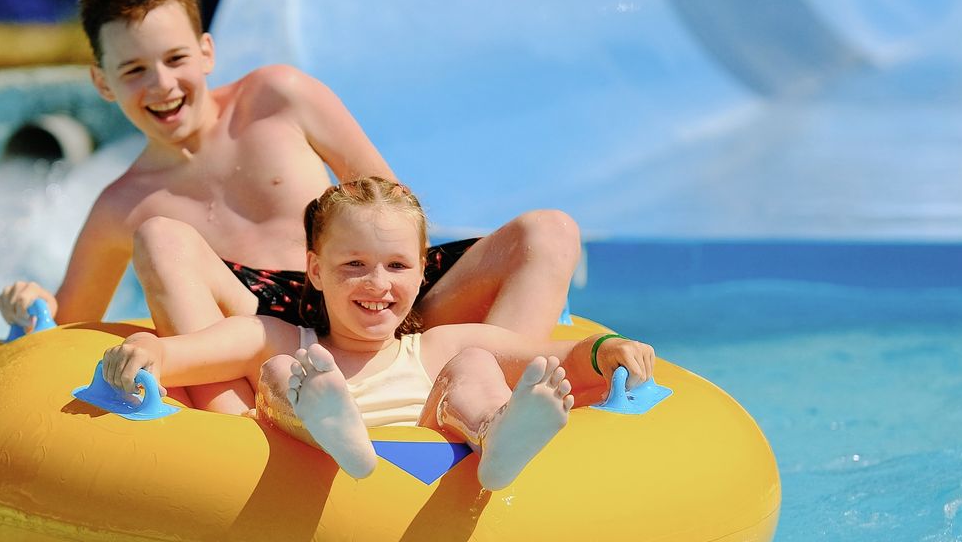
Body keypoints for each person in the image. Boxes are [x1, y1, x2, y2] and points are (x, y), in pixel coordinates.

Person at [0, 0, 582, 415]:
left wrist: (421, 282)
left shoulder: (278, 97)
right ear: (102, 83)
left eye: (175, 59)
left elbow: (393, 205)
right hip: (270, 334)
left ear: (206, 52)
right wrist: (31, 306)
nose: (163, 85)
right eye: (133, 70)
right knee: (159, 233)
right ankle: (240, 429)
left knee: (548, 231)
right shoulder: (122, 205)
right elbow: (73, 325)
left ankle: (498, 410)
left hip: (374, 287)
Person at [96, 178, 655, 490]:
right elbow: (183, 355)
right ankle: (328, 425)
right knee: (283, 375)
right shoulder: (280, 339)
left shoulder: (440, 344)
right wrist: (146, 350)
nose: (377, 284)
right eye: (353, 265)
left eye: (396, 267)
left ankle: (496, 434)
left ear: (422, 271)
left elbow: (558, 358)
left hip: (427, 459)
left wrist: (607, 351)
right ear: (315, 271)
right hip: (321, 458)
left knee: (480, 366)